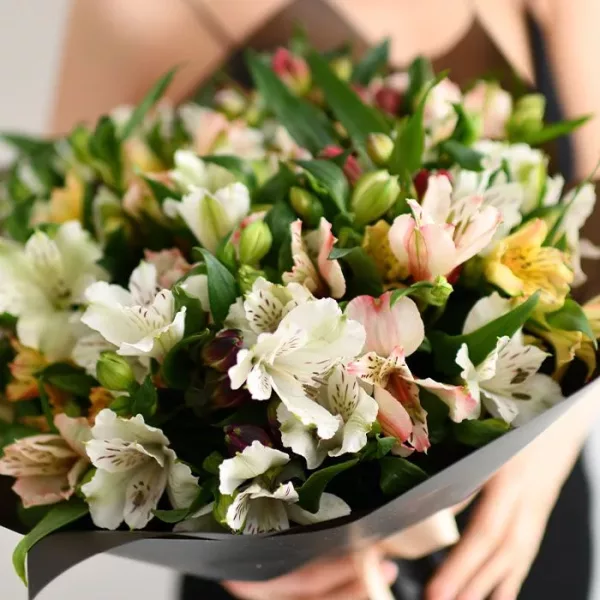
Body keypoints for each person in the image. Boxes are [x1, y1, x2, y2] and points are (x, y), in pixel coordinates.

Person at [50, 1, 600, 599]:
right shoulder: (130, 11)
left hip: (519, 515)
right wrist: (247, 569)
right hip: (280, 545)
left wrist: (555, 441)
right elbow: (68, 271)